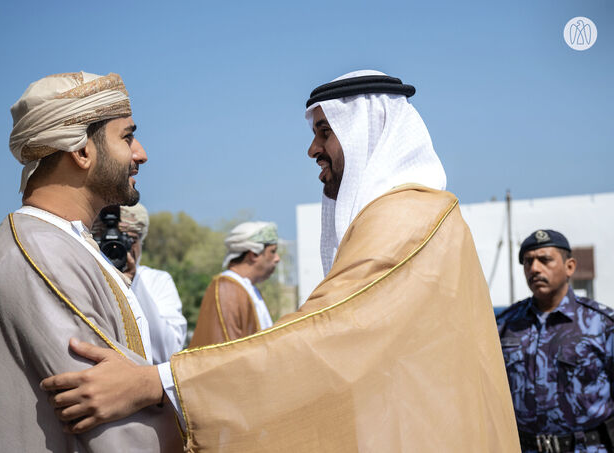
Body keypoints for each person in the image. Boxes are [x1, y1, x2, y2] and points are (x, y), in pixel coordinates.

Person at [42, 70, 519, 451]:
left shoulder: (405, 219)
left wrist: (158, 383)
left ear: (370, 135)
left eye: (325, 132)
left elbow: (325, 336)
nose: (313, 149)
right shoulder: (419, 214)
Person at [0, 72, 181, 452]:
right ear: (81, 152)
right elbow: (112, 424)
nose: (140, 153)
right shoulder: (40, 253)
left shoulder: (64, 244)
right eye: (127, 137)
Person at [497, 229, 614, 453]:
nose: (534, 268)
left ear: (569, 266)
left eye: (544, 260)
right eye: (528, 262)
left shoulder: (601, 324)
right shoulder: (505, 325)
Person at [91, 202, 187, 363]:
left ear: (141, 241)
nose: (115, 247)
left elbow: (167, 353)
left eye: (128, 239)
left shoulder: (157, 281)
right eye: (105, 238)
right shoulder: (84, 275)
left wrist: (131, 283)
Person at [189, 221, 279, 347]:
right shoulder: (227, 288)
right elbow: (227, 353)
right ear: (253, 254)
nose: (277, 258)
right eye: (273, 251)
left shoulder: (247, 288)